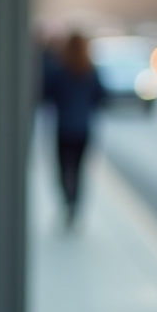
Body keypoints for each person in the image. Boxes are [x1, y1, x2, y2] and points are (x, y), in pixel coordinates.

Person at [42, 32, 106, 228]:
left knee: (63, 169)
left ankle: (68, 200)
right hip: (83, 129)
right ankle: (75, 204)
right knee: (79, 170)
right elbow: (101, 97)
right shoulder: (90, 71)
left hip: (64, 129)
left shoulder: (60, 70)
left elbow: (47, 94)